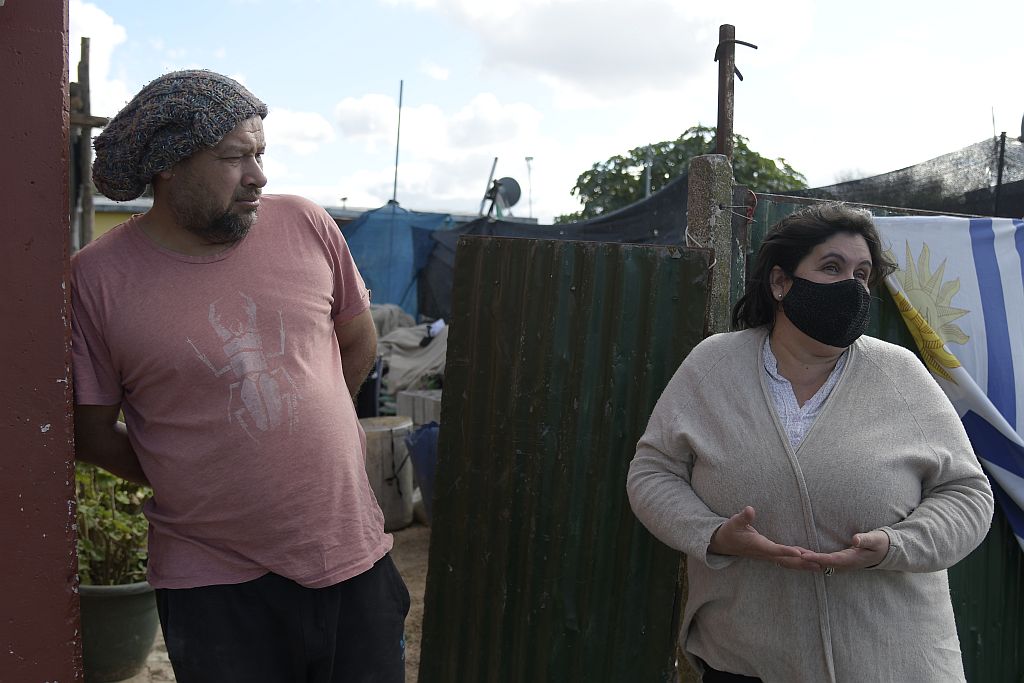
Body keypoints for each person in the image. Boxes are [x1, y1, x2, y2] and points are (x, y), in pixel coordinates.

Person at [72, 70, 409, 682]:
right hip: (214, 585)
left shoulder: (308, 224)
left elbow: (357, 340)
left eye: (260, 152)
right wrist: (196, 469)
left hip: (352, 557)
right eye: (234, 157)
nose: (259, 175)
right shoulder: (96, 279)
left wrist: (308, 431)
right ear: (169, 165)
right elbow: (89, 432)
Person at [626, 202, 993, 682]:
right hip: (744, 660)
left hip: (893, 663)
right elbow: (653, 472)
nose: (851, 287)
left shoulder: (899, 374)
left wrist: (893, 545)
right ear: (781, 282)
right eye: (831, 267)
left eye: (862, 275)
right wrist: (712, 534)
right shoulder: (713, 366)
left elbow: (967, 494)